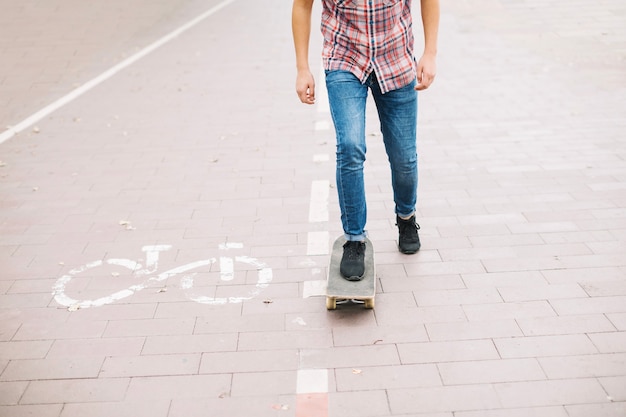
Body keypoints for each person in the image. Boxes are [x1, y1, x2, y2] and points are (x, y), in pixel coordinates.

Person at [292, 0, 439, 280]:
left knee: (404, 158)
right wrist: (302, 68)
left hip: (395, 59)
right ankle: (354, 238)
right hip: (344, 60)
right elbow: (301, 6)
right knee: (350, 147)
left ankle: (406, 217)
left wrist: (430, 52)